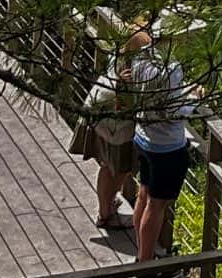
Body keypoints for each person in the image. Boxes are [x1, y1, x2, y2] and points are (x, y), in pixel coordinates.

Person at [75, 22, 199, 249]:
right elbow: (165, 109)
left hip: (113, 119)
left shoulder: (135, 58)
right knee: (121, 171)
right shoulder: (159, 66)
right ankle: (114, 223)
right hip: (118, 123)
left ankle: (107, 211)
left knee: (119, 174)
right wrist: (193, 99)